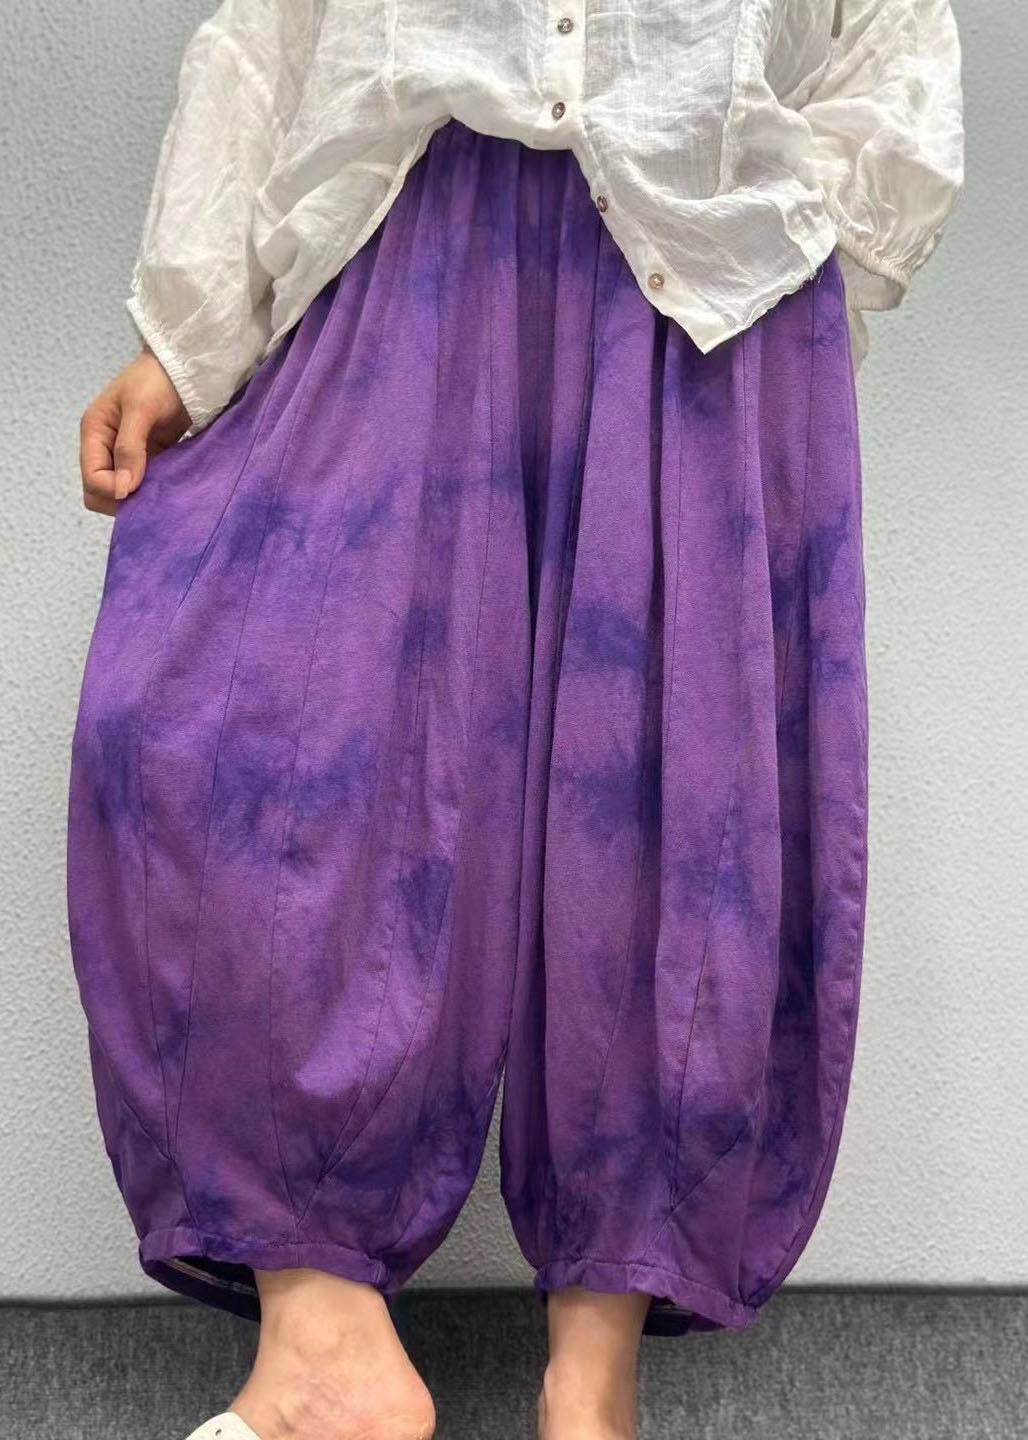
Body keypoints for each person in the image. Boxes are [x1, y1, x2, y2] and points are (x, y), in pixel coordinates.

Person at [68, 3, 964, 1438]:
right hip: (406, 226)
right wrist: (191, 333)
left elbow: (890, 35)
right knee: (245, 738)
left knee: (671, 805)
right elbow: (275, 32)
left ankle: (590, 1385)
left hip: (710, 269)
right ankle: (324, 1354)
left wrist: (792, 239)